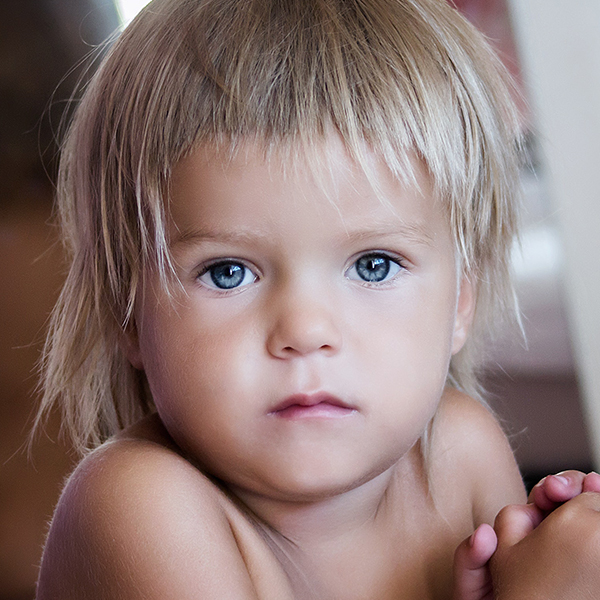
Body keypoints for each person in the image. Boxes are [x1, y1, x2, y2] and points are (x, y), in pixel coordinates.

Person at [33, 0, 600, 598]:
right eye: (228, 272)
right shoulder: (139, 506)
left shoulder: (459, 454)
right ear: (127, 308)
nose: (305, 330)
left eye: (373, 265)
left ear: (462, 296)